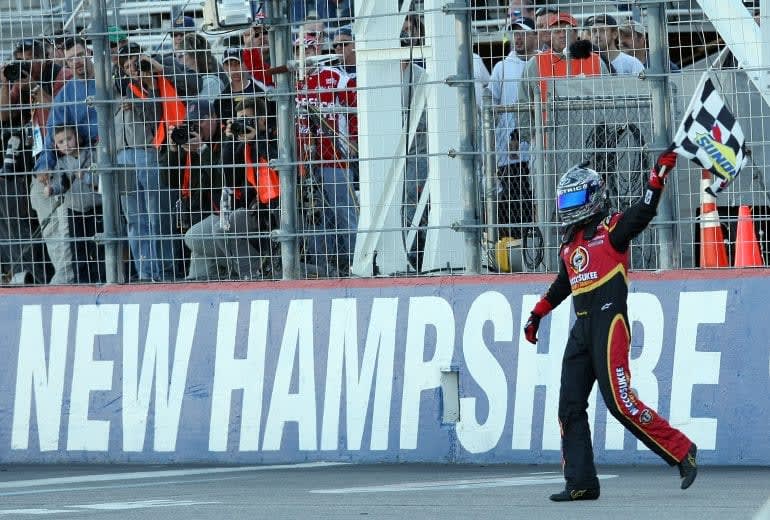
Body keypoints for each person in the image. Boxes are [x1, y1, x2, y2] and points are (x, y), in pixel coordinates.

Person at [522, 149, 698, 501]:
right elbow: (563, 284)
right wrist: (538, 313)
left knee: (620, 403)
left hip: (609, 322)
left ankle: (682, 449)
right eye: (565, 198)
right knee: (569, 406)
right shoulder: (569, 243)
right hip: (582, 327)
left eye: (575, 197)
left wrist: (656, 179)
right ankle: (581, 482)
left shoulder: (611, 230)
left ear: (593, 197)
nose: (568, 205)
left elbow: (644, 212)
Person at [488, 16, 539, 239]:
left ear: (534, 36)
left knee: (537, 201)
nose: (517, 37)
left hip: (537, 150)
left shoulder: (541, 63)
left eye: (523, 33)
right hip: (509, 156)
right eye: (514, 33)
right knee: (513, 205)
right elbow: (490, 106)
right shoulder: (501, 68)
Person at [217, 48, 269, 122]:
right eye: (229, 64)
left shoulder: (261, 92)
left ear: (246, 64)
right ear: (224, 67)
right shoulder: (221, 100)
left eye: (238, 63)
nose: (234, 69)